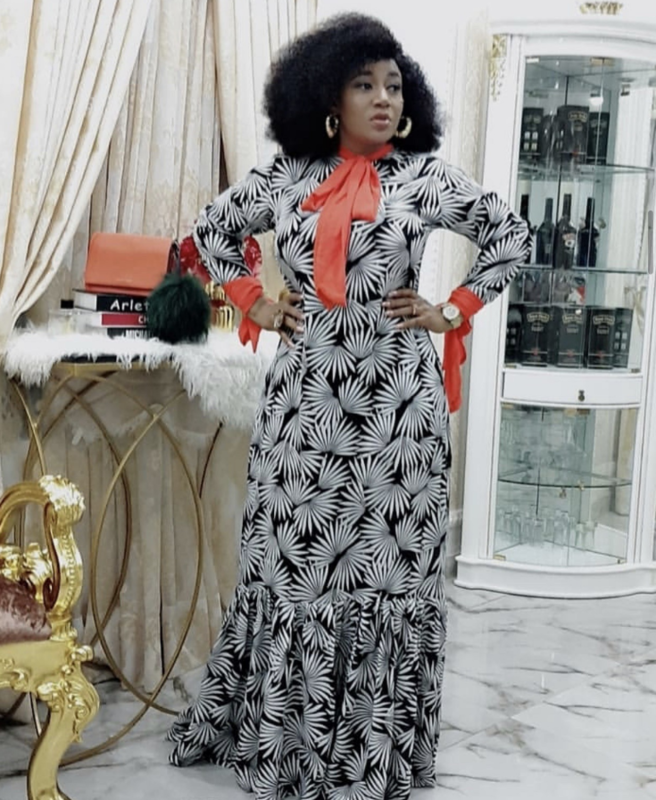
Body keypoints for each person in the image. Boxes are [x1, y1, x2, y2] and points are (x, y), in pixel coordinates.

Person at [168, 12, 531, 800]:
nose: (383, 99)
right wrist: (255, 302)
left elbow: (510, 235)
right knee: (297, 569)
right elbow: (210, 233)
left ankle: (370, 756)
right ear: (327, 99)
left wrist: (451, 309)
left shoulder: (427, 179)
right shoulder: (287, 177)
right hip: (306, 411)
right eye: (364, 85)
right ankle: (287, 745)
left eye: (394, 85)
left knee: (386, 577)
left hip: (400, 415)